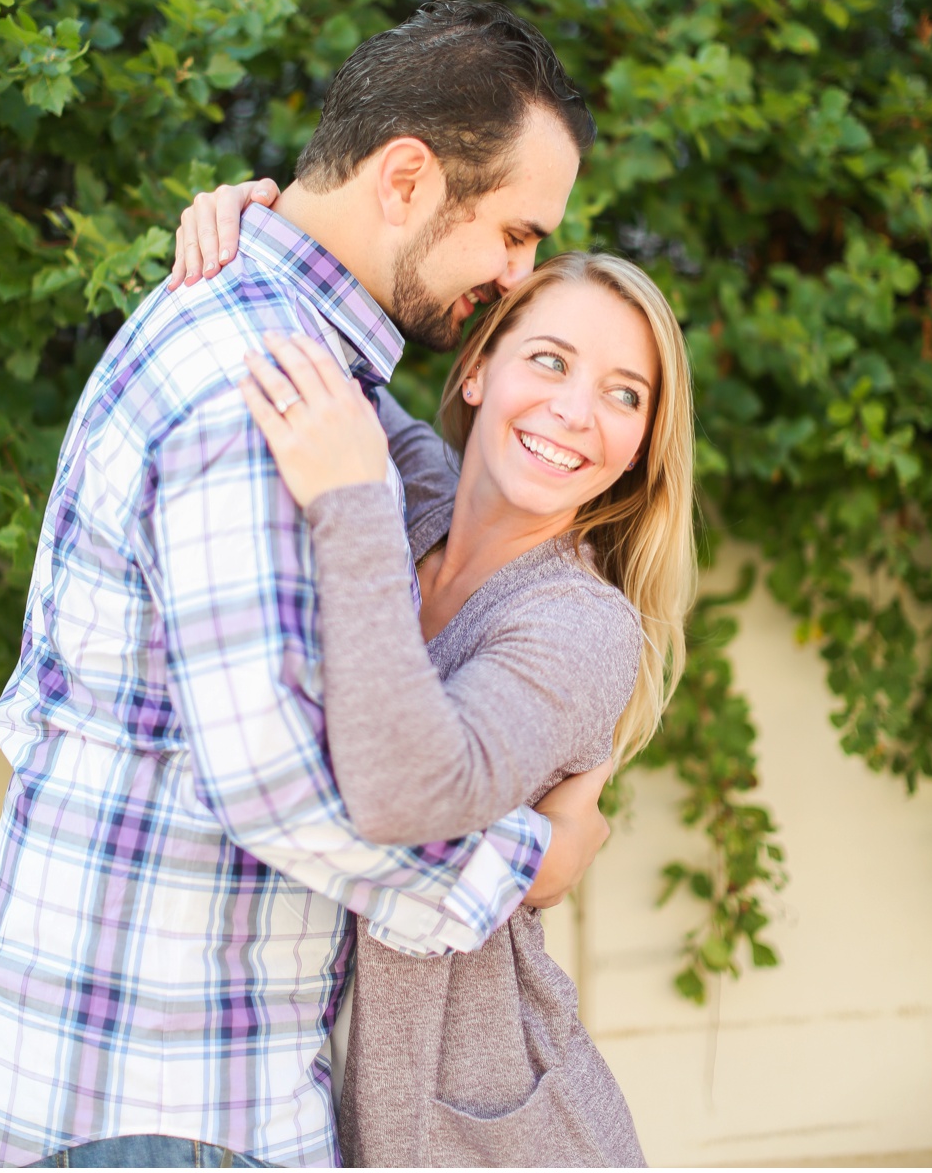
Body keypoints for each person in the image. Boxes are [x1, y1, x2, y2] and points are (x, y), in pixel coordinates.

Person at [0, 2, 611, 1169]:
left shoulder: (276, 338)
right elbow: (279, 782)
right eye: (511, 231)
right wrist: (527, 861)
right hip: (166, 1093)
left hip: (126, 1069)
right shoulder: (261, 383)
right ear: (406, 176)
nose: (516, 273)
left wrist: (255, 212)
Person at [225, 240, 693, 1166]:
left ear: (641, 442)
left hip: (483, 1137)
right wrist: (239, 216)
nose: (574, 410)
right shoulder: (421, 496)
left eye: (623, 393)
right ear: (478, 368)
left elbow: (417, 788)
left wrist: (350, 505)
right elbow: (324, 347)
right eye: (550, 360)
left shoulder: (581, 625)